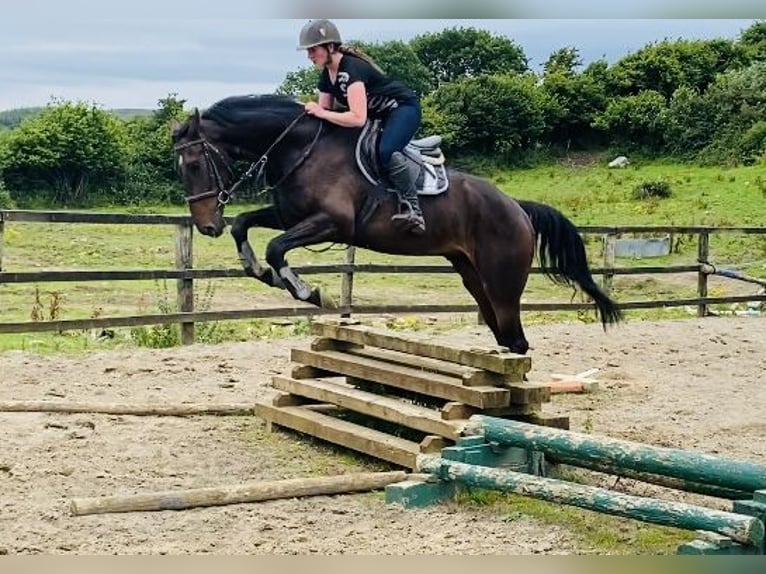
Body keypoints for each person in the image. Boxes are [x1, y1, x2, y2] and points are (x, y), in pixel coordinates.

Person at [296, 19, 426, 235]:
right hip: (380, 116)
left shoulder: (352, 68)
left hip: (402, 109)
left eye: (312, 50)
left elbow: (357, 118)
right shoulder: (326, 76)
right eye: (308, 51)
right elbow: (323, 116)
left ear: (330, 47)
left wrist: (322, 112)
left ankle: (413, 208)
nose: (309, 55)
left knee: (386, 151)